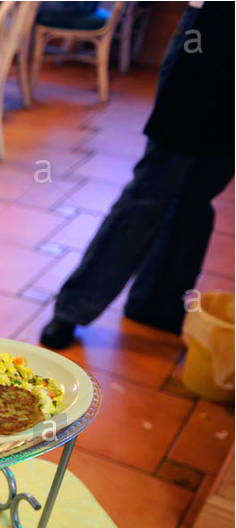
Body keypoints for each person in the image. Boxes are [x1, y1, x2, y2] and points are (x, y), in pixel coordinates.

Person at [40, 2, 235, 350]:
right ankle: (73, 309)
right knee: (153, 187)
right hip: (211, 33)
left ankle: (157, 305)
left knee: (200, 193)